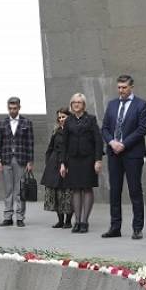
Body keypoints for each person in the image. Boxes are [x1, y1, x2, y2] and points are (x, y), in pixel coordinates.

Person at [101, 74, 146, 239]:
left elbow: (142, 129)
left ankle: (137, 228)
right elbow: (105, 128)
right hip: (114, 153)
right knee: (114, 191)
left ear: (131, 87)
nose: (121, 91)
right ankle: (115, 227)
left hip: (132, 154)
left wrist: (124, 144)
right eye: (119, 87)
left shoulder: (142, 105)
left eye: (124, 87)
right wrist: (111, 142)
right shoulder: (112, 104)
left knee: (135, 190)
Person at [59, 93, 103, 233]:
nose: (76, 104)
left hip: (88, 159)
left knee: (87, 188)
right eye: (74, 102)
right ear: (71, 105)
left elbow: (98, 141)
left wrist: (98, 160)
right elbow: (64, 144)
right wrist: (62, 163)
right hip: (72, 159)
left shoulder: (91, 119)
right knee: (76, 189)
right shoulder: (68, 121)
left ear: (84, 104)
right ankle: (77, 221)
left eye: (79, 102)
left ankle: (85, 221)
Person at [0, 97, 34, 227]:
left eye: (15, 108)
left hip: (21, 160)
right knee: (8, 190)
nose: (12, 110)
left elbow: (30, 144)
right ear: (8, 108)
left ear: (19, 108)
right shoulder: (1, 123)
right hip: (6, 159)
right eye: (10, 108)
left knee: (20, 190)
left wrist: (30, 161)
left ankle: (20, 217)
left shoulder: (27, 123)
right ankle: (8, 217)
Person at [41, 108, 73, 229]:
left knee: (67, 193)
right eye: (59, 117)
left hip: (67, 164)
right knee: (55, 193)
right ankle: (60, 221)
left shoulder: (73, 132)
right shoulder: (56, 131)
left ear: (69, 117)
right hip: (53, 165)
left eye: (63, 117)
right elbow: (50, 148)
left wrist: (68, 165)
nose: (61, 119)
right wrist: (48, 161)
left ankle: (68, 221)